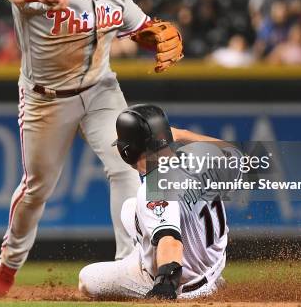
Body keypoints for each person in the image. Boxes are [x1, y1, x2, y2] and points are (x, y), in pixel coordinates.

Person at [0, 0, 182, 297]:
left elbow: (138, 26)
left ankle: (134, 265)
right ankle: (8, 263)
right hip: (46, 99)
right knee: (36, 189)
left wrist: (153, 35)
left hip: (100, 90)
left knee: (129, 166)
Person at [79, 104, 242, 300]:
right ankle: (213, 280)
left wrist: (164, 287)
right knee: (130, 209)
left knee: (87, 279)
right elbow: (235, 155)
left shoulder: (155, 187)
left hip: (185, 285)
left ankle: (154, 274)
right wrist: (180, 133)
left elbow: (169, 240)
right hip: (213, 264)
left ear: (127, 151)